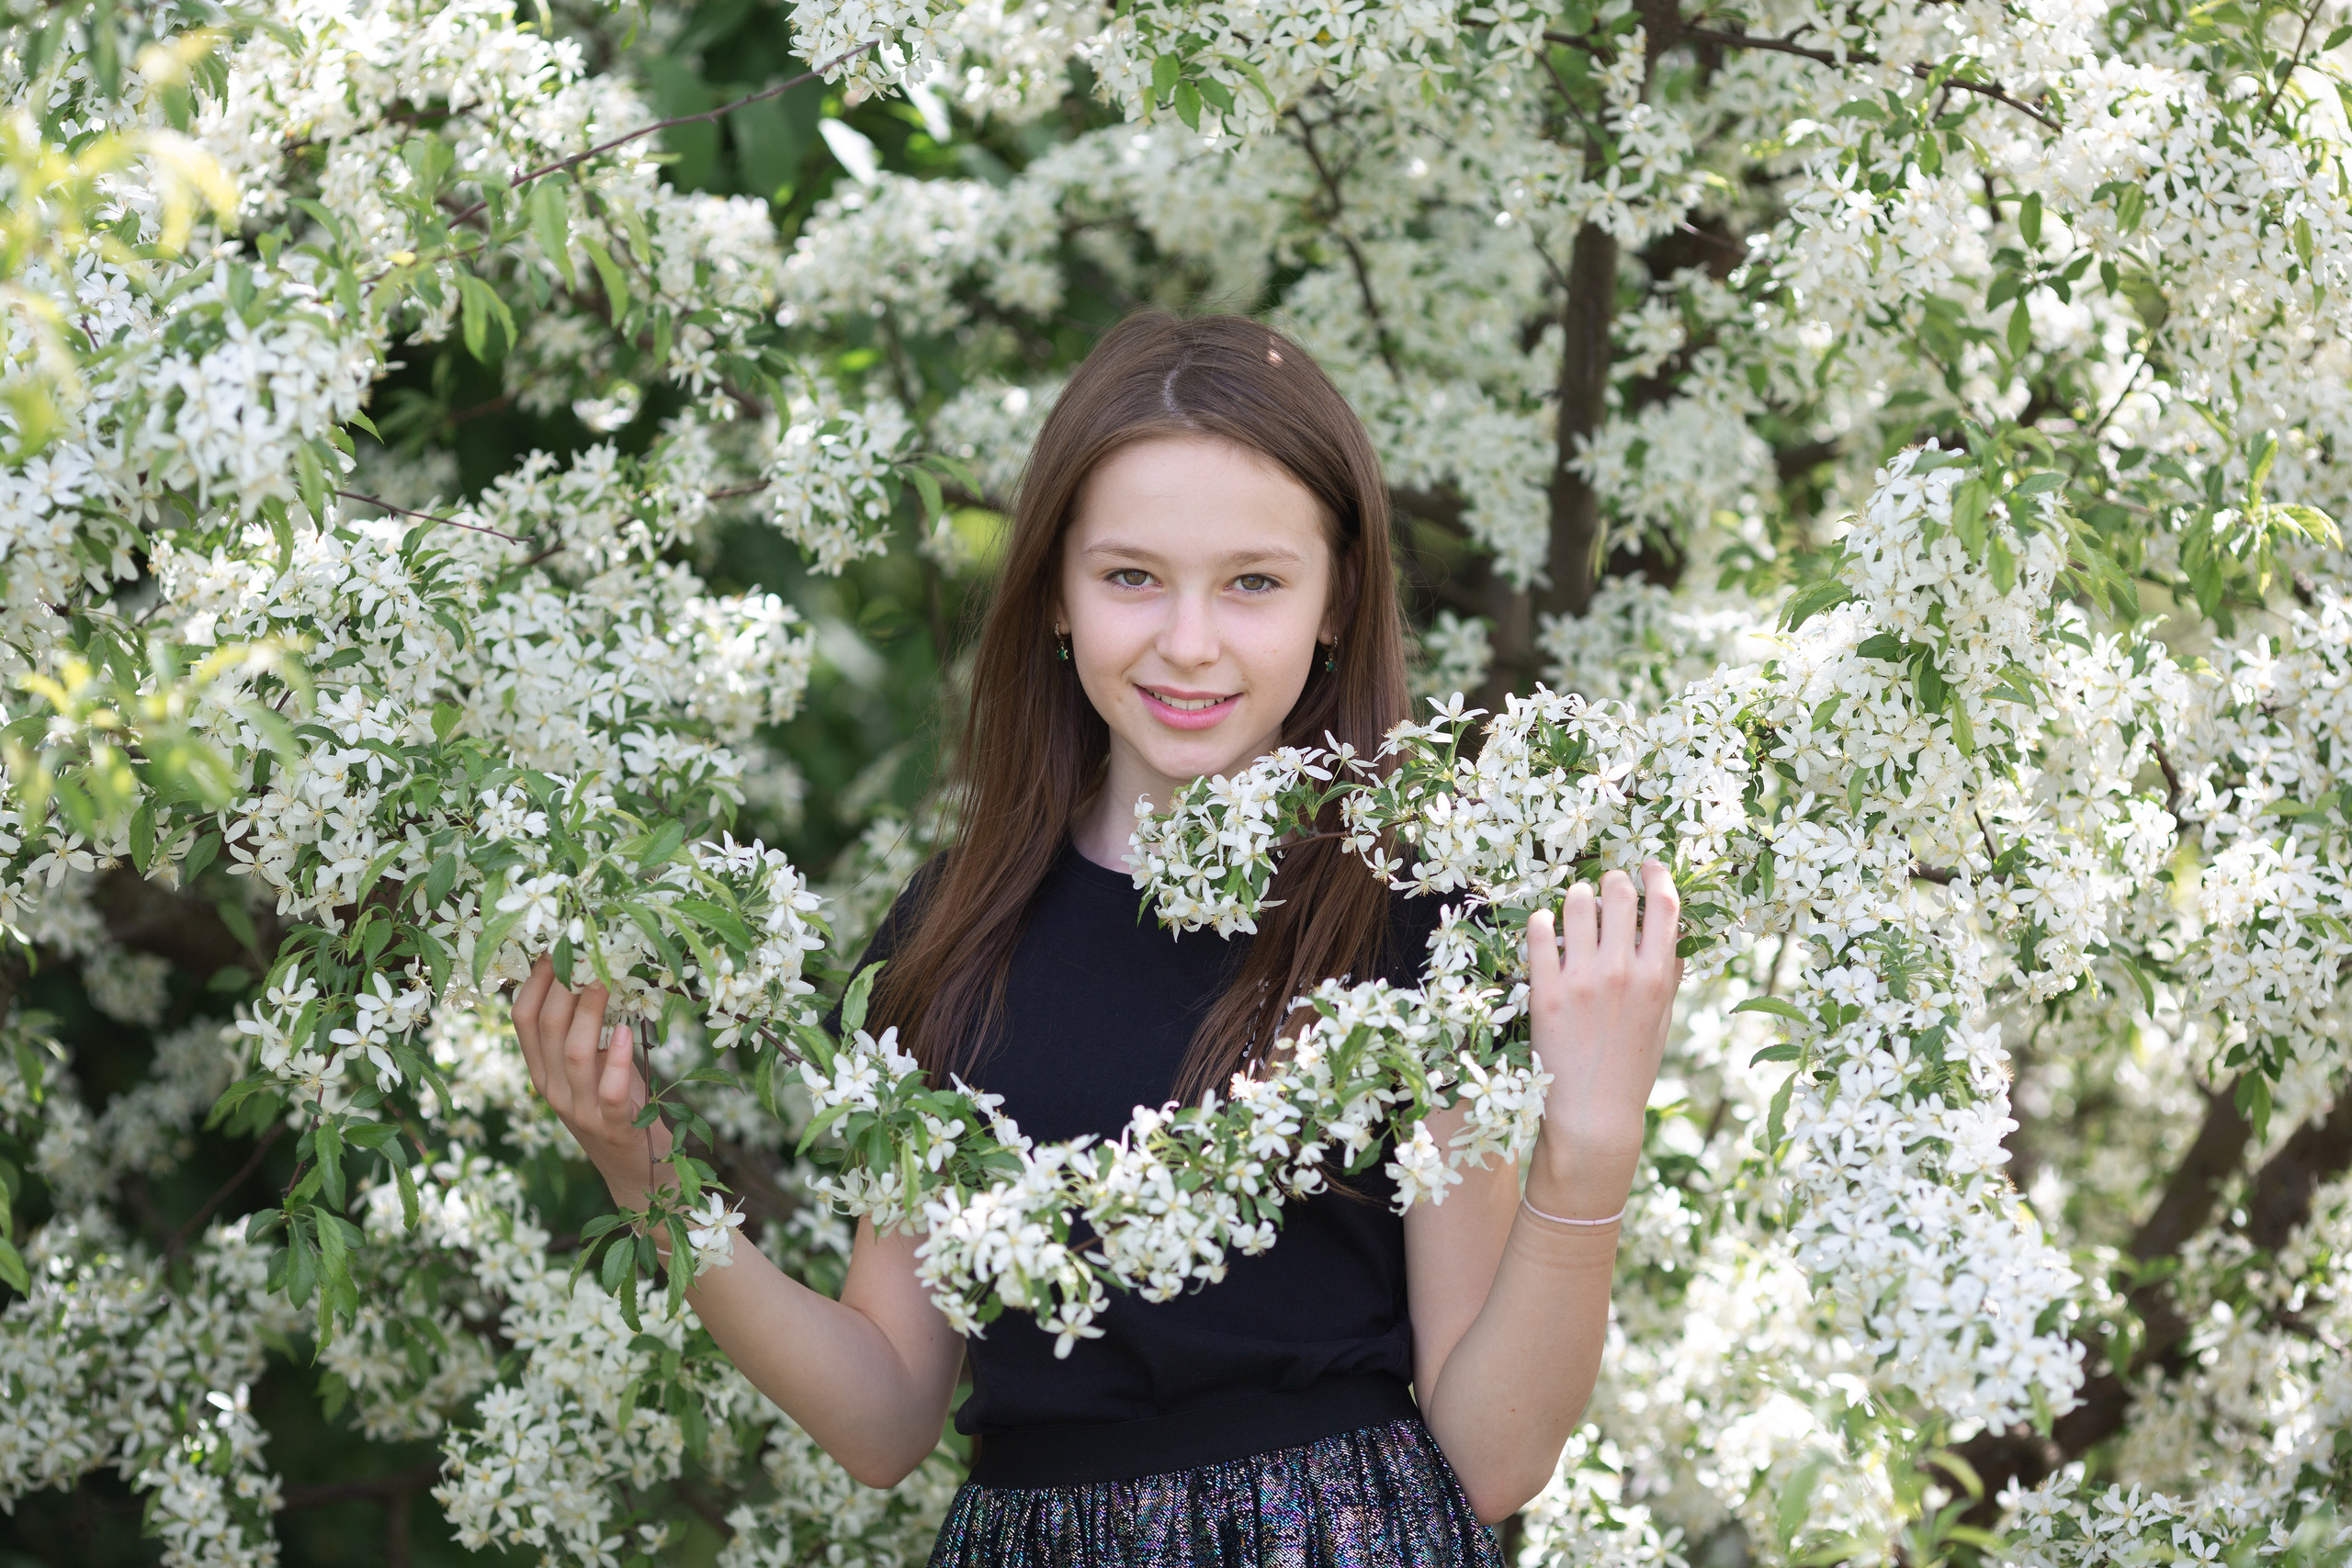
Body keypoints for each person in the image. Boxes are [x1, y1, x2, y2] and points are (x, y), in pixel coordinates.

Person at [510, 310, 1681, 1567]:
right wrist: (647, 1177)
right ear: (1057, 597)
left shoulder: (1411, 911)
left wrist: (1591, 1154)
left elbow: (1496, 1457)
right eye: (1131, 577)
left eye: (1254, 582)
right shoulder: (953, 933)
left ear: (1336, 601)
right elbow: (885, 1413)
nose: (1189, 641)